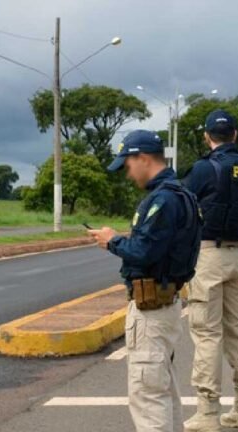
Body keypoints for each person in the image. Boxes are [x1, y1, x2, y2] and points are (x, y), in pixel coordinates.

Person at [88, 130, 201, 432]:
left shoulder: (162, 200)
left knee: (148, 397)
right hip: (168, 304)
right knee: (163, 391)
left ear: (144, 158)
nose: (127, 172)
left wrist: (112, 241)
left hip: (151, 310)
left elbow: (144, 251)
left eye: (128, 164)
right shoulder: (183, 194)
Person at [182, 110, 238, 431]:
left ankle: (207, 412)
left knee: (207, 333)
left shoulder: (204, 168)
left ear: (207, 136)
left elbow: (183, 204)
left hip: (209, 256)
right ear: (236, 134)